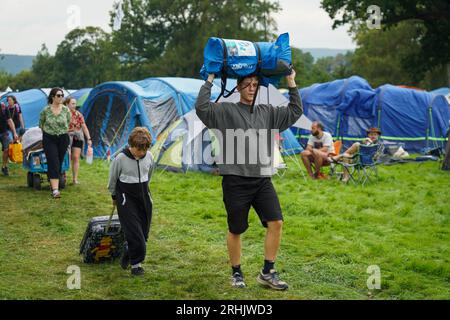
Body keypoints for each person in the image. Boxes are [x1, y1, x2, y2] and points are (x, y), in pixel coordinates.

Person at [195, 70, 302, 290]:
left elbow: (295, 111)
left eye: (255, 84)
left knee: (276, 222)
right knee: (236, 229)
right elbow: (202, 108)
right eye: (247, 84)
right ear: (238, 87)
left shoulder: (268, 112)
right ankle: (236, 273)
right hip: (235, 180)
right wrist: (210, 79)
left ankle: (267, 272)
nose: (252, 88)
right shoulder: (226, 110)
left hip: (262, 179)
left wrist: (291, 81)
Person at [108, 127, 155, 277]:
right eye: (138, 150)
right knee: (136, 236)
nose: (141, 153)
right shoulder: (120, 158)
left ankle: (129, 250)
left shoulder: (149, 156)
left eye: (144, 150)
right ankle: (136, 265)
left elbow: (149, 174)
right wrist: (115, 196)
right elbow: (112, 179)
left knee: (143, 234)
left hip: (144, 198)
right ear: (131, 145)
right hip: (126, 200)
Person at [39, 88, 71, 198]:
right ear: (53, 97)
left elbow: (68, 122)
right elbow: (41, 124)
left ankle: (52, 178)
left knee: (59, 162)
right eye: (58, 95)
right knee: (54, 162)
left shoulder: (66, 110)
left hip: (63, 138)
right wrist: (49, 133)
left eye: (62, 95)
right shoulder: (45, 110)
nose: (61, 97)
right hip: (49, 139)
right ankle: (55, 190)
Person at [65, 97, 92, 184]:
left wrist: (89, 138)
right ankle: (63, 176)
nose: (74, 105)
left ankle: (74, 179)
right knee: (66, 157)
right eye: (72, 103)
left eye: (75, 103)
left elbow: (84, 126)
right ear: (67, 104)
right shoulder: (63, 114)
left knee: (76, 157)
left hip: (77, 137)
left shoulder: (79, 115)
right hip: (66, 137)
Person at [0, 102, 18, 176]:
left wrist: (14, 133)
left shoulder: (3, 107)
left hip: (4, 132)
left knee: (7, 149)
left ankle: (4, 167)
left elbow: (9, 121)